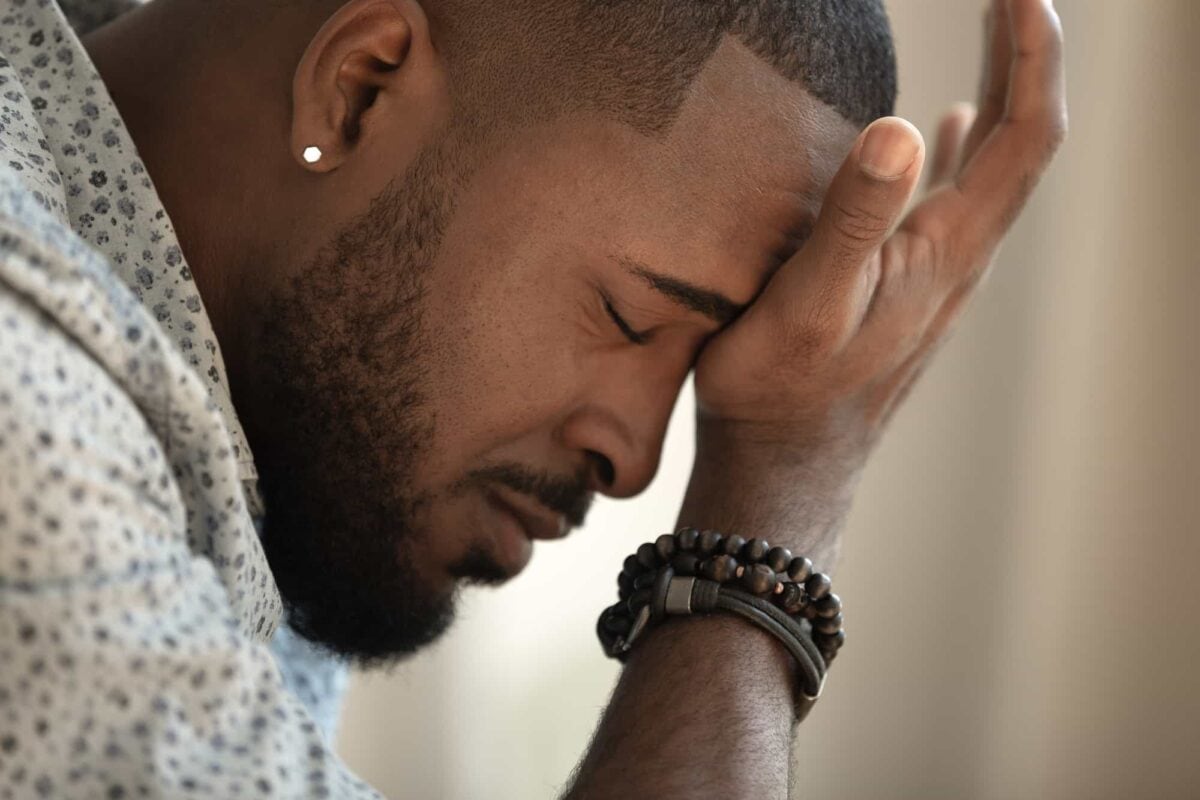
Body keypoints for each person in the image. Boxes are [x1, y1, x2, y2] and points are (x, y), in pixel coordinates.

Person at [0, 0, 1065, 795]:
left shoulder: (253, 401)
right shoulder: (26, 410)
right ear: (360, 88)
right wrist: (777, 495)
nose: (639, 458)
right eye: (629, 317)